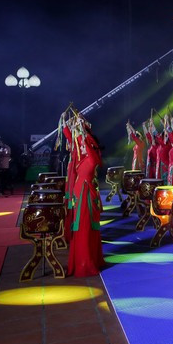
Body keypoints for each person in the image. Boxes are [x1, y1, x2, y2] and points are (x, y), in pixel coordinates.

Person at [66, 115, 105, 277]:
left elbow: (84, 142)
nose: (80, 146)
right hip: (79, 196)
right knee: (80, 230)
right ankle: (80, 260)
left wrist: (81, 129)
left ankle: (86, 262)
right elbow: (75, 140)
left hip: (86, 197)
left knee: (84, 229)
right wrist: (67, 125)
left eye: (84, 145)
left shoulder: (92, 159)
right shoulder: (83, 158)